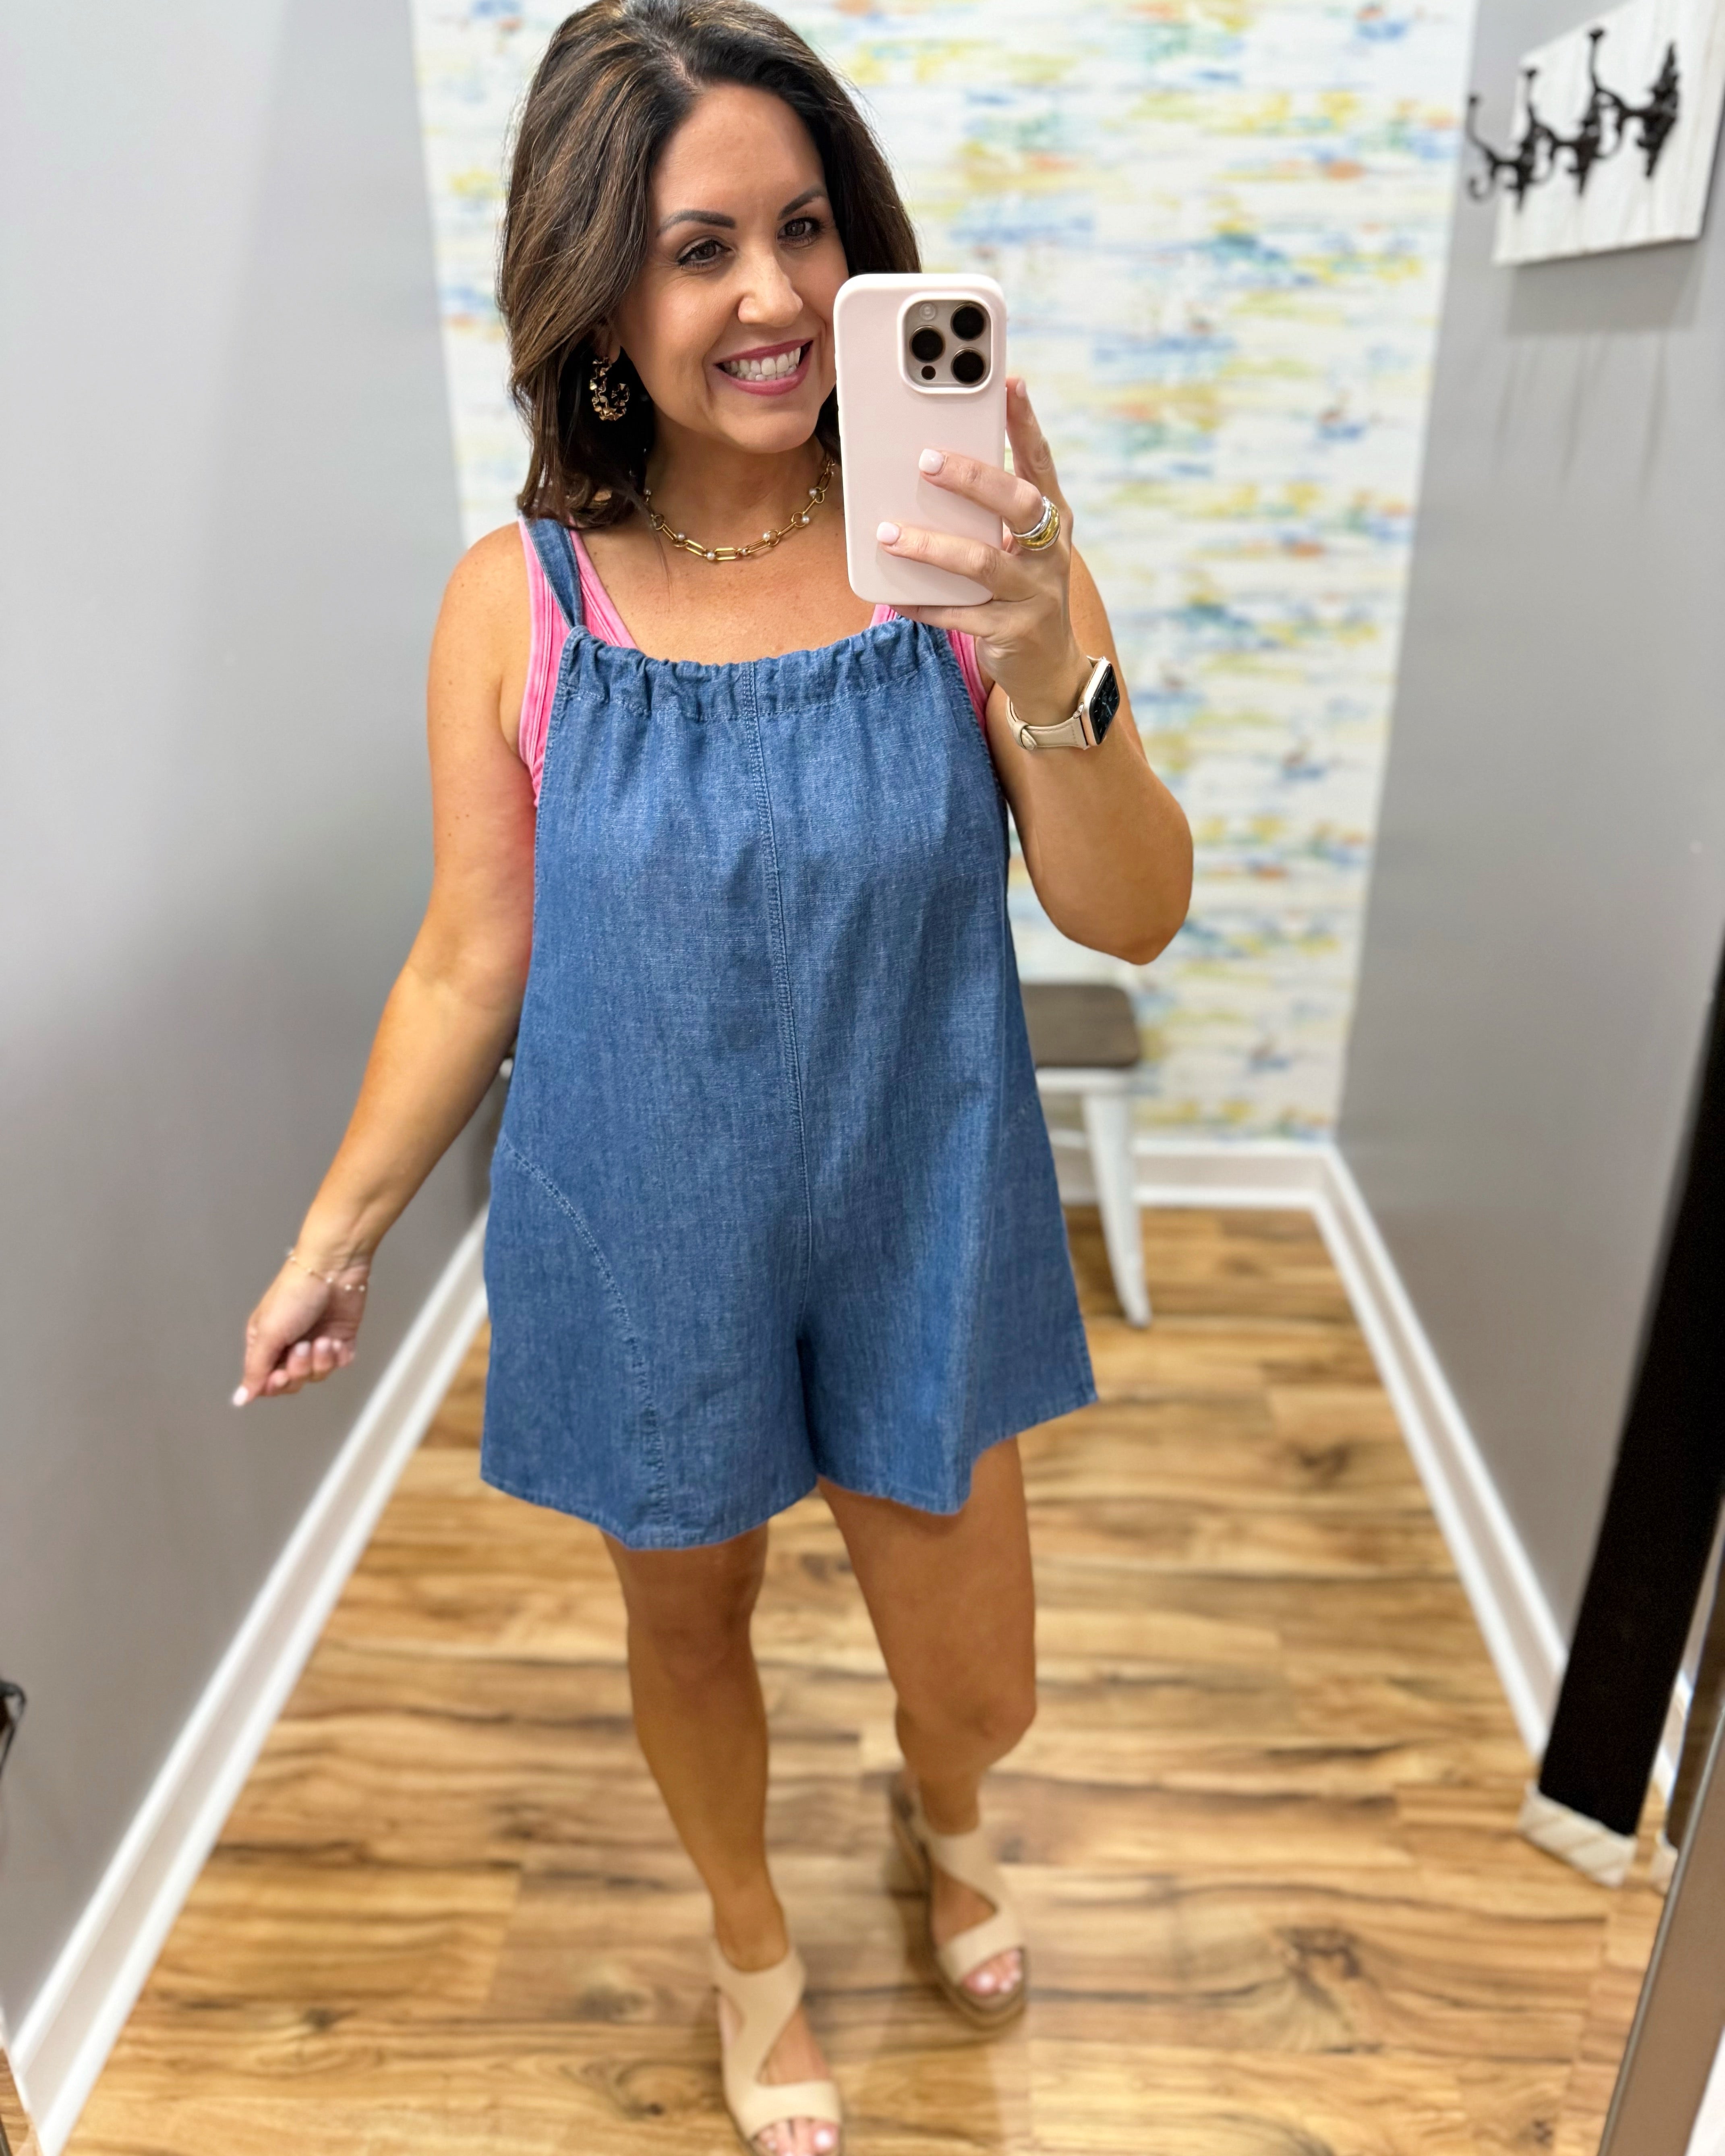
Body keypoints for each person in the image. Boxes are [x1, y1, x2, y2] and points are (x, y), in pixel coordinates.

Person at [234, 3, 1192, 2148]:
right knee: (692, 1623)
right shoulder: (520, 605)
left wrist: (1051, 653)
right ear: (599, 291)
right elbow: (476, 956)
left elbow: (1131, 912)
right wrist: (336, 1238)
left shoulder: (970, 552)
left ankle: (949, 1814)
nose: (773, 296)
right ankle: (751, 1952)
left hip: (916, 1201)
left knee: (986, 1679)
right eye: (698, 248)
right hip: (639, 1214)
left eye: (806, 228)